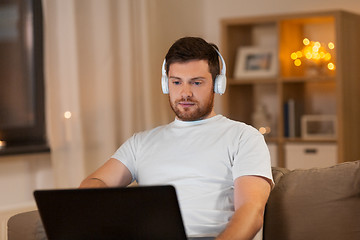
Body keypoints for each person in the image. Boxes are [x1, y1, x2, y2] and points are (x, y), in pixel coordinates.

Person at [79, 37, 274, 240]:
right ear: (166, 84)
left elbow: (251, 212)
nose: (185, 93)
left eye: (196, 83)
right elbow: (95, 181)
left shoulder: (244, 137)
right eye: (176, 82)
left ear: (217, 84)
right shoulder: (141, 143)